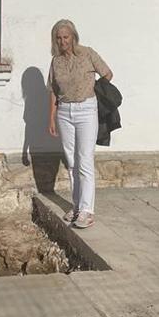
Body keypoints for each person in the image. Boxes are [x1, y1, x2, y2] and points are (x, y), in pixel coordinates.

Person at [47, 20, 113, 229]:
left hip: (86, 109)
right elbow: (53, 90)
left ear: (73, 36)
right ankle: (77, 206)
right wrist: (51, 117)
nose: (62, 41)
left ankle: (87, 211)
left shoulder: (87, 54)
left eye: (66, 36)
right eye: (58, 37)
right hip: (65, 111)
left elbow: (107, 73)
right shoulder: (56, 61)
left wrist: (94, 89)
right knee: (71, 160)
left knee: (84, 159)